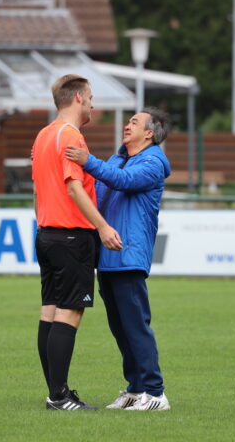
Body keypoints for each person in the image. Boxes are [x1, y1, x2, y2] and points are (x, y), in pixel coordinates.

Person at [64, 107, 172, 411]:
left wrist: (87, 162)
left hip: (129, 254)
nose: (127, 126)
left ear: (149, 133)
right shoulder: (118, 159)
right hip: (109, 255)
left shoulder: (153, 162)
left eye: (134, 122)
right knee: (121, 327)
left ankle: (156, 392)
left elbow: (123, 181)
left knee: (136, 326)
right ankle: (136, 388)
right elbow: (99, 187)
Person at [31, 74, 122, 411]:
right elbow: (73, 187)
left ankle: (57, 391)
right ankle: (59, 396)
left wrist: (43, 225)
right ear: (79, 98)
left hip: (47, 233)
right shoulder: (71, 137)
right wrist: (101, 227)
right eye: (92, 96)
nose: (94, 103)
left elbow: (39, 190)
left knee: (50, 312)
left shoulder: (42, 136)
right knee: (69, 313)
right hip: (72, 235)